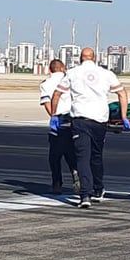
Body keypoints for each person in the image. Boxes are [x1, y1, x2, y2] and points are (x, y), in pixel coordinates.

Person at [50, 47, 129, 209]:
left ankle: (85, 195)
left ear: (80, 58)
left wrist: (54, 115)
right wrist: (123, 116)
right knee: (96, 156)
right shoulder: (106, 74)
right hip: (100, 120)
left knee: (82, 157)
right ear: (95, 58)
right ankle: (98, 189)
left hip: (80, 120)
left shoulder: (72, 73)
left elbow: (57, 94)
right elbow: (122, 93)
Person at [39, 59, 80, 195]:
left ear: (50, 70)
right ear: (63, 68)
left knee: (55, 155)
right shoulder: (71, 80)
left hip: (59, 118)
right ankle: (76, 174)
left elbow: (47, 103)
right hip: (74, 117)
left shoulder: (45, 84)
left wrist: (53, 116)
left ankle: (57, 183)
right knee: (71, 150)